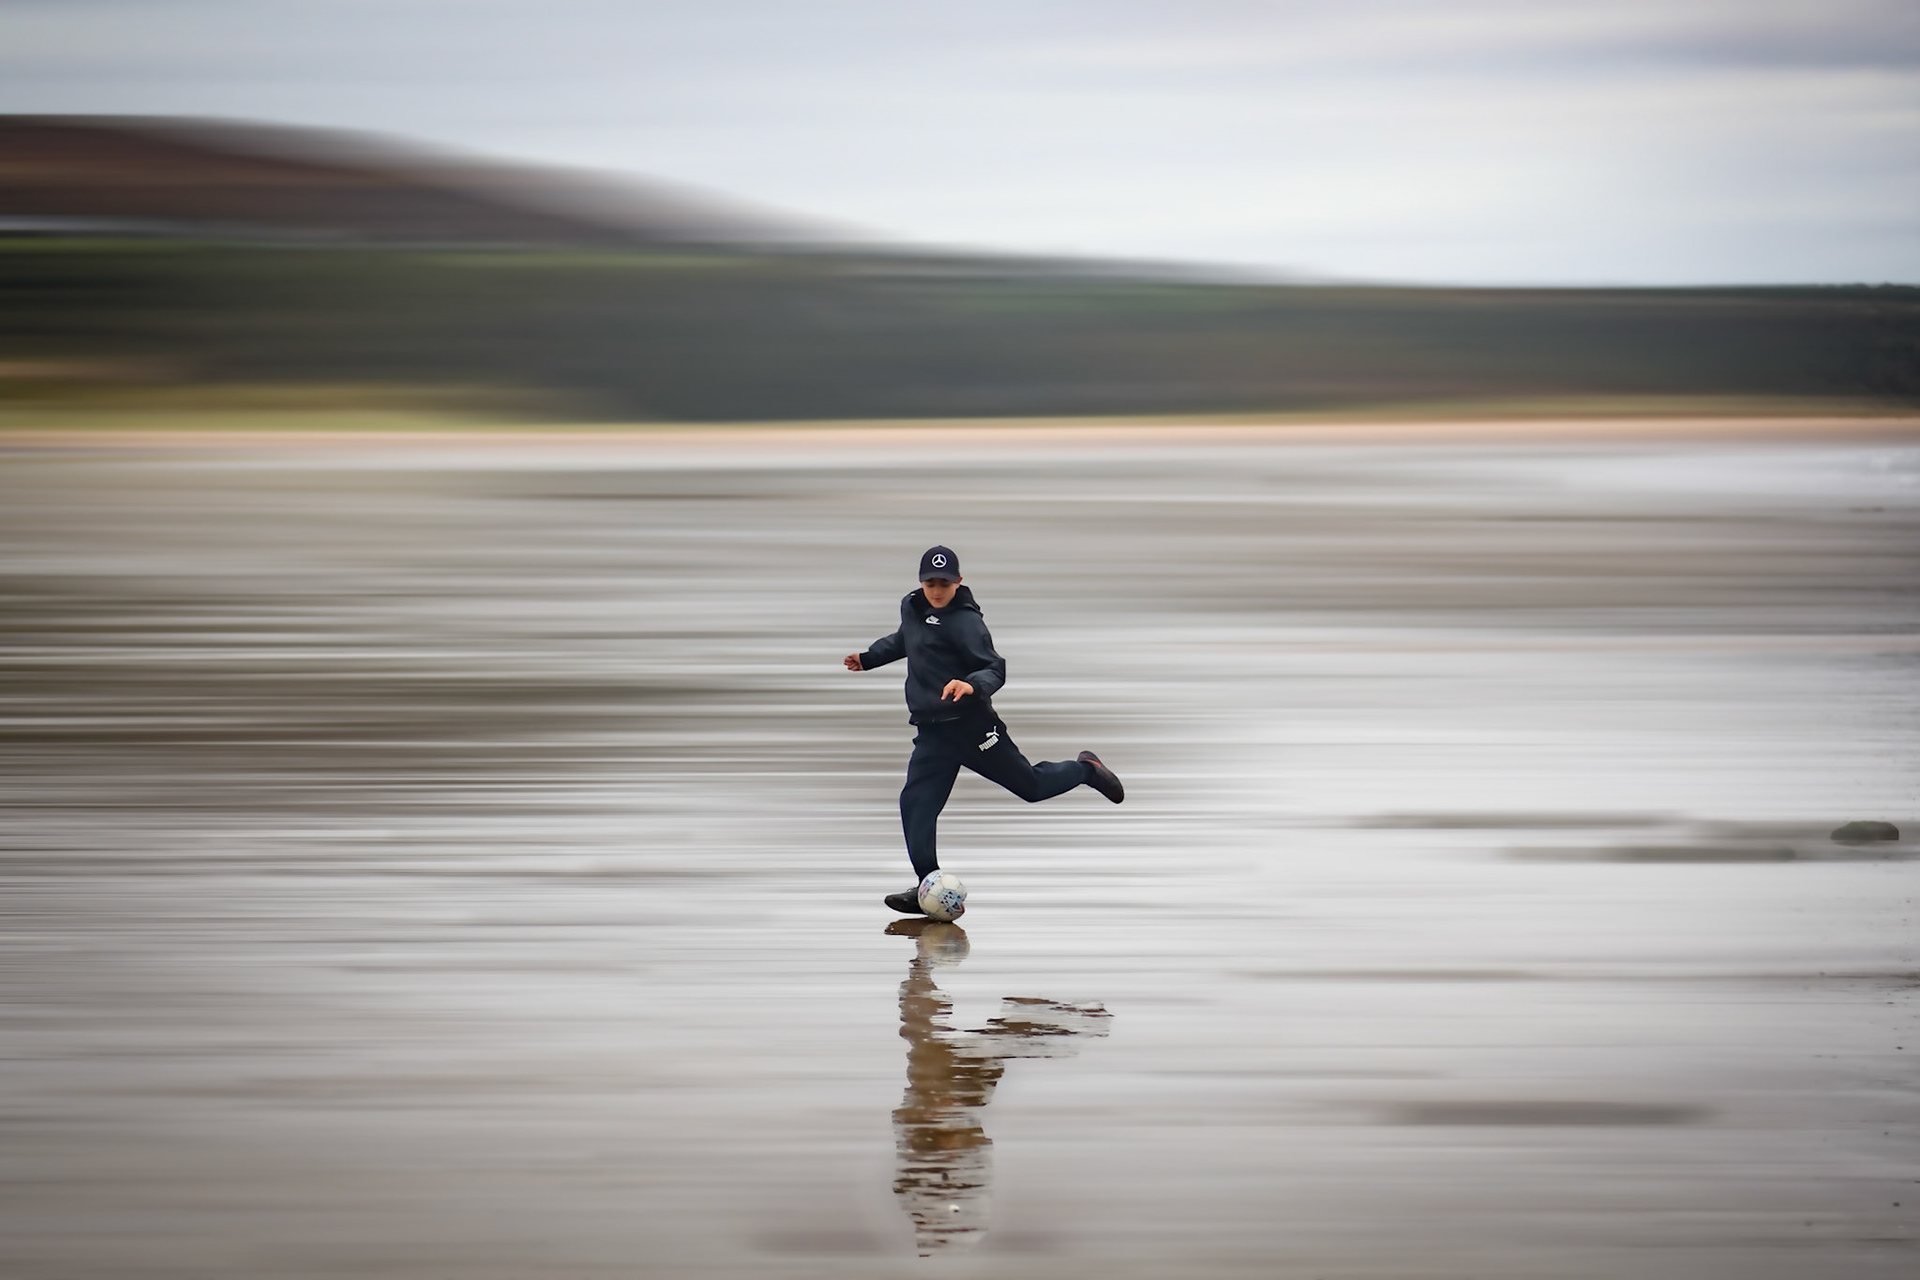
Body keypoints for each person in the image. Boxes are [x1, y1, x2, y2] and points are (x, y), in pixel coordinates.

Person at [844, 546, 1123, 914]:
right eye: (931, 583)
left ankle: (1087, 769)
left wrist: (971, 685)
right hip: (933, 734)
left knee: (1032, 787)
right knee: (915, 805)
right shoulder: (912, 608)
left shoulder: (967, 622)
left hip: (973, 728)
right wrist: (869, 658)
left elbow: (994, 668)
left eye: (945, 583)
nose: (937, 590)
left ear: (958, 581)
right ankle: (929, 887)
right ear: (921, 582)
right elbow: (904, 640)